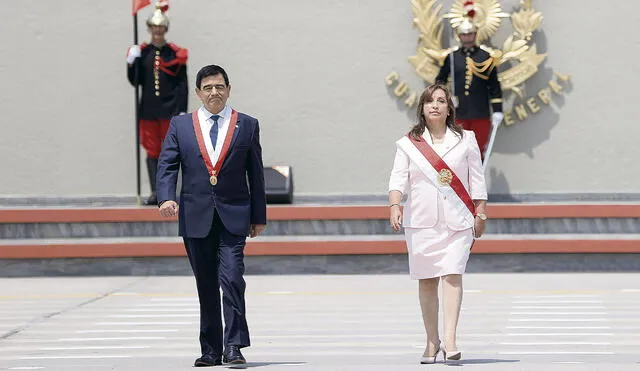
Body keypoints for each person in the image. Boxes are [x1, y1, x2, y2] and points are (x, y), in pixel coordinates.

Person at [156, 65, 267, 367]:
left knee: (232, 278)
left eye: (219, 87)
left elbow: (255, 174)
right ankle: (210, 350)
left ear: (228, 89)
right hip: (195, 215)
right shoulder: (181, 125)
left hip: (234, 215)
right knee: (205, 284)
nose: (214, 93)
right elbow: (168, 164)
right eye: (207, 88)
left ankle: (234, 345)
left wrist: (258, 216)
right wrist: (166, 196)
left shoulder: (246, 124)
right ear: (198, 93)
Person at [388, 84, 487, 364]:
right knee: (428, 280)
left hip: (458, 220)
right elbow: (397, 179)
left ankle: (451, 339)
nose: (435, 105)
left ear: (449, 108)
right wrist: (395, 204)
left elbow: (476, 179)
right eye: (430, 101)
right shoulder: (408, 144)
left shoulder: (466, 139)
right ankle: (432, 341)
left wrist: (481, 213)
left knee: (453, 274)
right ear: (422, 108)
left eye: (441, 101)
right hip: (422, 221)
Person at [127, 1, 188, 205]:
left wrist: (182, 111)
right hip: (149, 111)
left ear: (165, 29)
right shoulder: (143, 52)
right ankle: (156, 192)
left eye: (161, 28)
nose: (157, 32)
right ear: (150, 29)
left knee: (170, 152)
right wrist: (131, 63)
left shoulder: (174, 53)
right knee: (152, 152)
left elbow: (182, 84)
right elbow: (135, 82)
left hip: (170, 110)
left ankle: (169, 193)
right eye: (154, 28)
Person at [435, 2, 503, 160]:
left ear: (475, 34)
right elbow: (440, 81)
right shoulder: (452, 57)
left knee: (478, 150)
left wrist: (498, 109)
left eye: (470, 34)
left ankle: (477, 184)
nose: (467, 37)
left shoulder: (485, 57)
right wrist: (446, 98)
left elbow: (494, 86)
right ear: (459, 36)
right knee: (457, 151)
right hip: (458, 113)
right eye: (464, 34)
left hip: (480, 112)